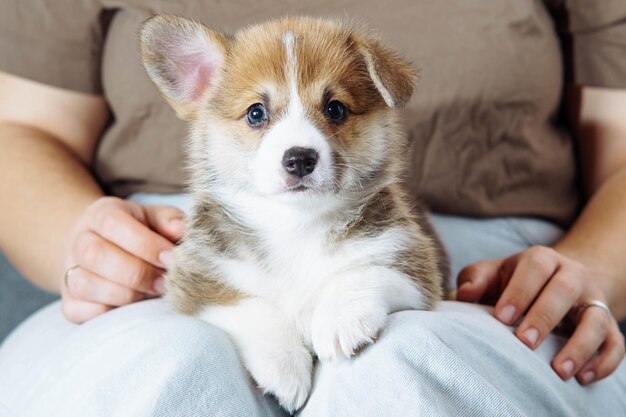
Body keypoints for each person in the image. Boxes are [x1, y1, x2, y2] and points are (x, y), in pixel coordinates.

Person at [0, 1, 625, 416]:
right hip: (161, 263)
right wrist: (84, 244)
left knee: (411, 370)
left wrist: (591, 267)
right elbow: (20, 130)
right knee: (172, 372)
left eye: (334, 111)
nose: (297, 145)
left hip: (494, 281)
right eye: (255, 114)